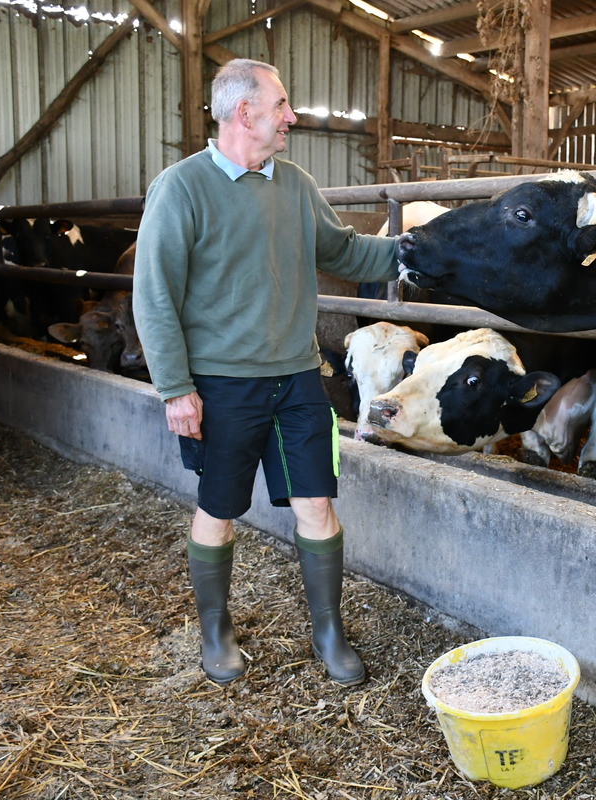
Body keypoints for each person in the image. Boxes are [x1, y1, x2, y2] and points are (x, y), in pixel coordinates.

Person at [133, 58, 400, 686]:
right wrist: (175, 388)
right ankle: (216, 631)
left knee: (318, 502)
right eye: (282, 104)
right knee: (219, 506)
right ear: (244, 112)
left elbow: (343, 250)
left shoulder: (296, 184)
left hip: (300, 378)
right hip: (221, 385)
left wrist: (416, 252)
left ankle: (329, 632)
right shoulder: (182, 188)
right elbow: (154, 295)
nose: (292, 116)